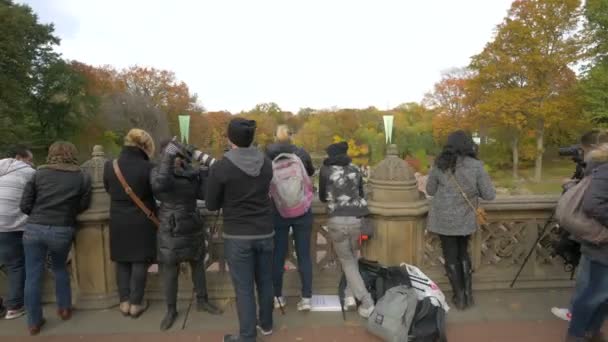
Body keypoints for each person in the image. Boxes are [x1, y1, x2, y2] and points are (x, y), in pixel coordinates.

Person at [206, 118, 274, 342]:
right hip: (265, 231)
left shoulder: (222, 167)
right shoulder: (266, 163)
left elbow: (211, 204)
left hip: (238, 235)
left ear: (230, 138)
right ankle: (266, 324)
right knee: (265, 281)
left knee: (244, 287)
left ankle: (247, 336)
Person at [20, 141, 92, 335]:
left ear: (51, 154)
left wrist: (37, 214)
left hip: (34, 228)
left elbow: (25, 205)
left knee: (32, 275)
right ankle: (65, 308)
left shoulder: (38, 173)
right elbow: (84, 204)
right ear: (73, 154)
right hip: (62, 229)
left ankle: (34, 323)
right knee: (60, 268)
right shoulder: (82, 176)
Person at [151, 140, 222, 331]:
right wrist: (168, 158)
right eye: (173, 154)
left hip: (192, 224)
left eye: (179, 155)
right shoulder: (159, 171)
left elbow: (204, 195)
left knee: (198, 265)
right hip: (171, 228)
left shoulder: (190, 173)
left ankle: (202, 301)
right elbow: (159, 187)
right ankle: (171, 310)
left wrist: (205, 171)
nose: (177, 159)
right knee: (170, 270)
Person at [426, 130, 495, 310]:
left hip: (443, 218)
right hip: (465, 218)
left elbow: (430, 190)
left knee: (450, 256)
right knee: (463, 253)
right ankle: (468, 295)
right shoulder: (476, 166)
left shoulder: (439, 164)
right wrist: (473, 190)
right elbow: (489, 194)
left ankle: (459, 297)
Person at [103, 129, 157, 318]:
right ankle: (136, 303)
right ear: (145, 146)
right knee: (139, 261)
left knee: (122, 261)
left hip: (118, 219)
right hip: (142, 220)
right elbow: (155, 193)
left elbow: (108, 189)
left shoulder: (110, 165)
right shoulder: (149, 168)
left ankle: (124, 302)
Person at [319, 141, 375, 318]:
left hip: (336, 221)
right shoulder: (356, 169)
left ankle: (367, 302)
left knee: (348, 261)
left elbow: (321, 196)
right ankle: (349, 296)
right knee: (353, 259)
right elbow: (360, 193)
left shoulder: (325, 170)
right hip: (356, 220)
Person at [265, 125, 315, 311]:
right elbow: (309, 175)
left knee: (277, 255)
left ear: (275, 137)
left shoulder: (268, 154)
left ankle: (278, 297)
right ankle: (307, 297)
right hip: (302, 210)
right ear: (291, 136)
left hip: (278, 211)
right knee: (304, 255)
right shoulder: (300, 153)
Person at [566, 132, 608, 342]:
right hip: (602, 243)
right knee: (596, 293)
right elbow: (593, 204)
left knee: (603, 294)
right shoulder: (605, 169)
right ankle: (576, 335)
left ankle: (592, 331)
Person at [0, 145, 35, 320]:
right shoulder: (29, 173)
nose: (32, 163)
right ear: (19, 158)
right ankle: (14, 307)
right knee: (15, 265)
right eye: (29, 160)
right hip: (11, 226)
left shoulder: (2, 169)